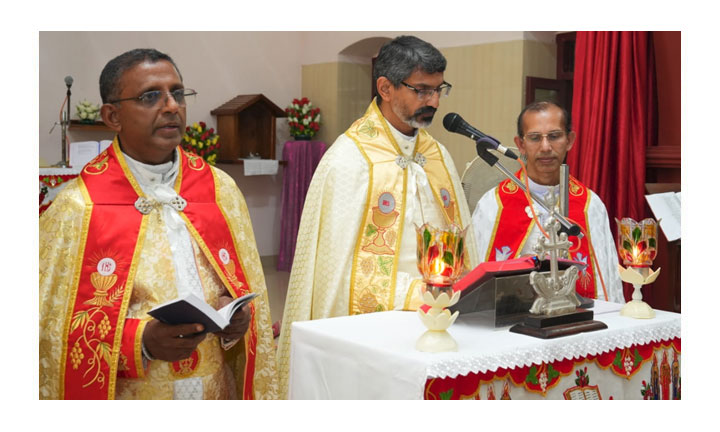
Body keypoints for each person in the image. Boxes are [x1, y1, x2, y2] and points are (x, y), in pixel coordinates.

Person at [39, 48, 278, 399]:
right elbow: (47, 330)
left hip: (216, 388)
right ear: (112, 115)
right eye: (151, 96)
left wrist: (238, 320)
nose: (171, 106)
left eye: (177, 93)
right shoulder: (77, 207)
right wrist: (142, 342)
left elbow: (243, 283)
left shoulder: (219, 189)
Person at [276, 35, 480, 397]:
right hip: (376, 326)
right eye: (422, 90)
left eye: (439, 89)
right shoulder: (349, 159)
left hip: (444, 316)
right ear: (385, 87)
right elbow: (334, 275)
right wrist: (417, 293)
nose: (433, 101)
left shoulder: (438, 155)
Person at [471, 101, 624, 303]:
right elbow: (473, 277)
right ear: (520, 144)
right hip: (510, 323)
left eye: (554, 136)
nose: (545, 147)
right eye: (535, 138)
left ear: (570, 140)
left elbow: (608, 282)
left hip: (574, 322)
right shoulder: (493, 205)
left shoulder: (590, 206)